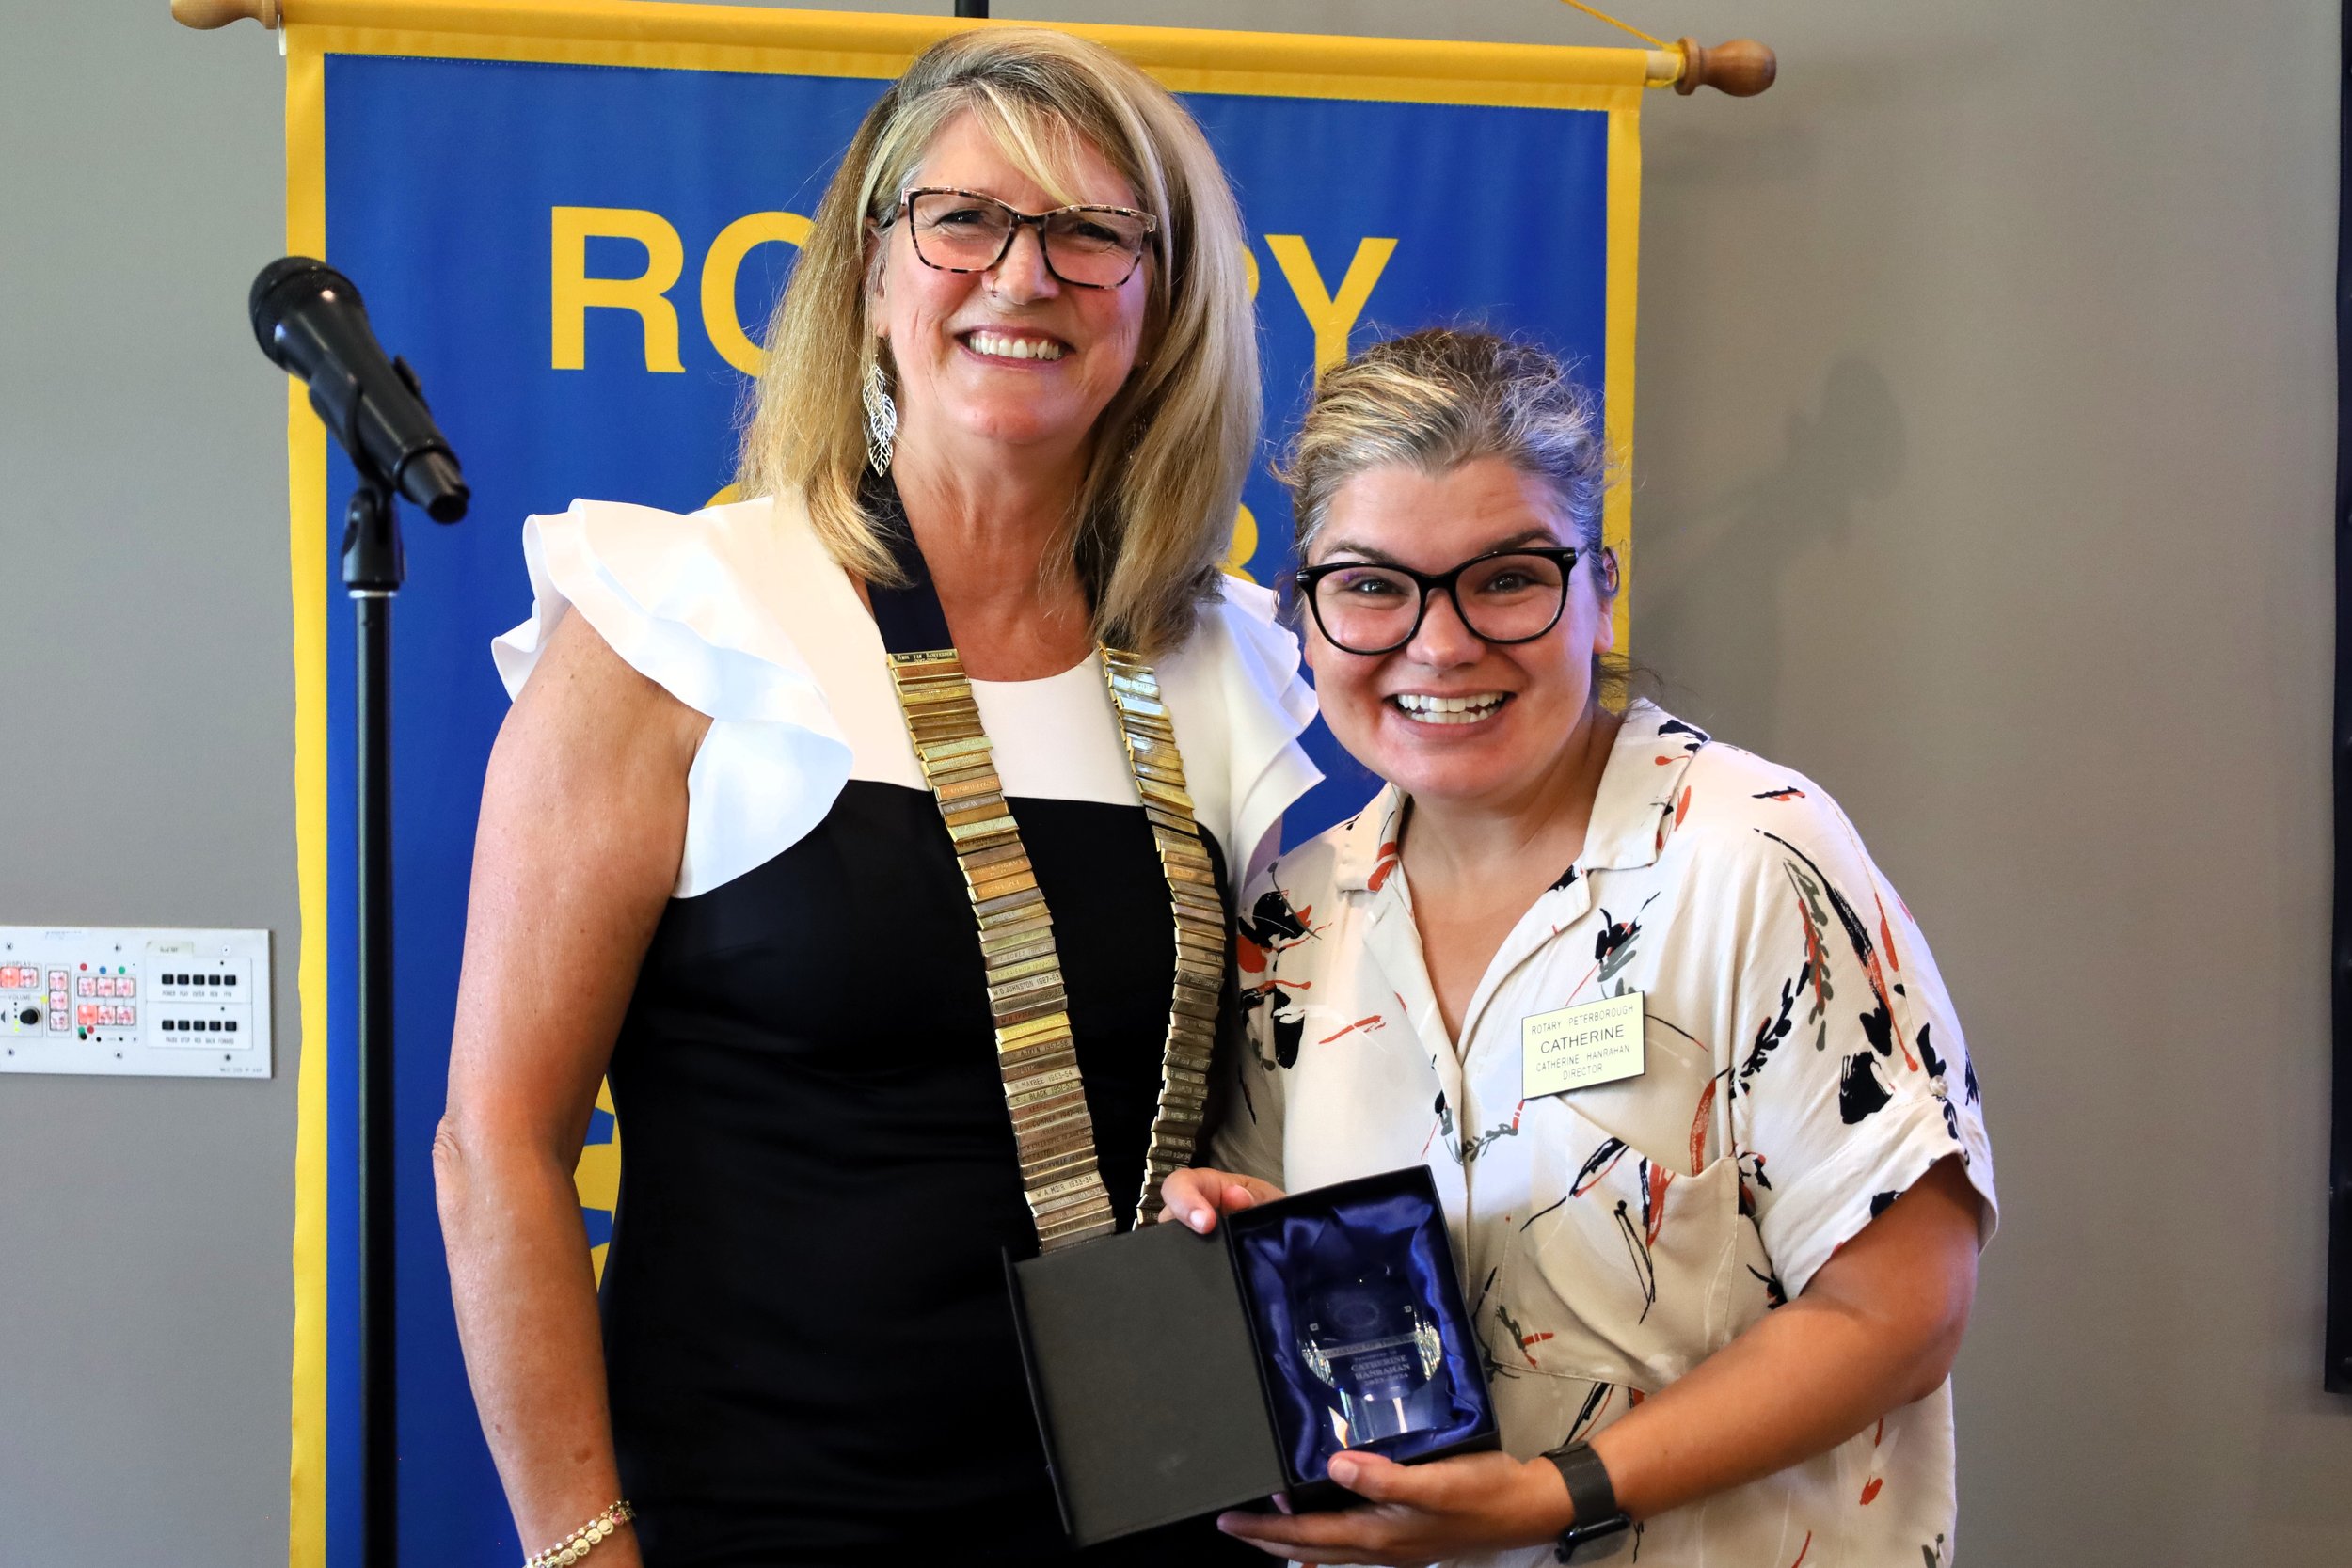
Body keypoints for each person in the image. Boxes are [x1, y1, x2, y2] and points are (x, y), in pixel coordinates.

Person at [435, 28, 1317, 1567]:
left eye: (1091, 232)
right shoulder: (675, 618)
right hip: (763, 1521)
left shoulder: (1231, 655)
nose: (1021, 276)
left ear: (1163, 299)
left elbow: (1245, 1108)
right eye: (964, 219)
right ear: (869, 270)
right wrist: (582, 1553)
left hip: (1165, 1513)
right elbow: (495, 1146)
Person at [1167, 329, 1996, 1567]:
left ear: (1602, 591)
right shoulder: (1290, 922)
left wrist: (1556, 1496)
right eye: (1373, 586)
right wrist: (1240, 1247)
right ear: (1305, 616)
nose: (1440, 644)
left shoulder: (1749, 859)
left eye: (1506, 579)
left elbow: (1903, 1312)